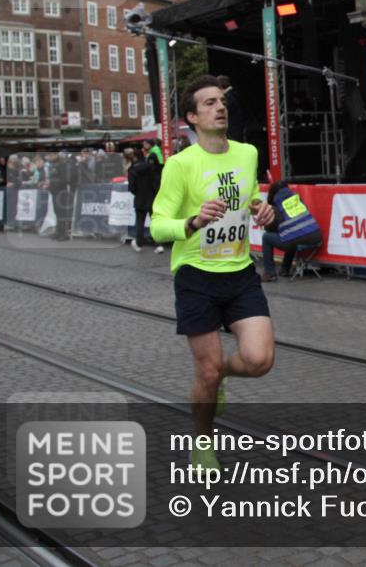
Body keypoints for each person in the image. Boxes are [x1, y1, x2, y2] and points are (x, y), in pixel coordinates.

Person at [150, 74, 275, 474]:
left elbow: (248, 195)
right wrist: (191, 221)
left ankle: (217, 375)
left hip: (239, 273)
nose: (219, 107)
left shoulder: (247, 153)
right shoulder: (179, 164)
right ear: (192, 117)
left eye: (221, 100)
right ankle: (202, 442)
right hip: (196, 277)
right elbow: (157, 225)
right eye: (208, 103)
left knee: (259, 360)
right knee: (205, 369)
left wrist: (261, 208)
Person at [259, 181, 323, 281]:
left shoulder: (276, 207)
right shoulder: (297, 199)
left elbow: (270, 228)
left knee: (267, 237)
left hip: (297, 240)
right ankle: (285, 269)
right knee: (290, 234)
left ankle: (269, 273)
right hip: (316, 238)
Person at [127, 148, 163, 253]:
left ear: (134, 157)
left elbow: (132, 187)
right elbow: (156, 182)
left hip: (139, 199)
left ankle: (139, 244)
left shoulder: (132, 169)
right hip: (151, 198)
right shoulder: (150, 167)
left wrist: (137, 192)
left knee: (140, 222)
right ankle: (159, 244)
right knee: (155, 222)